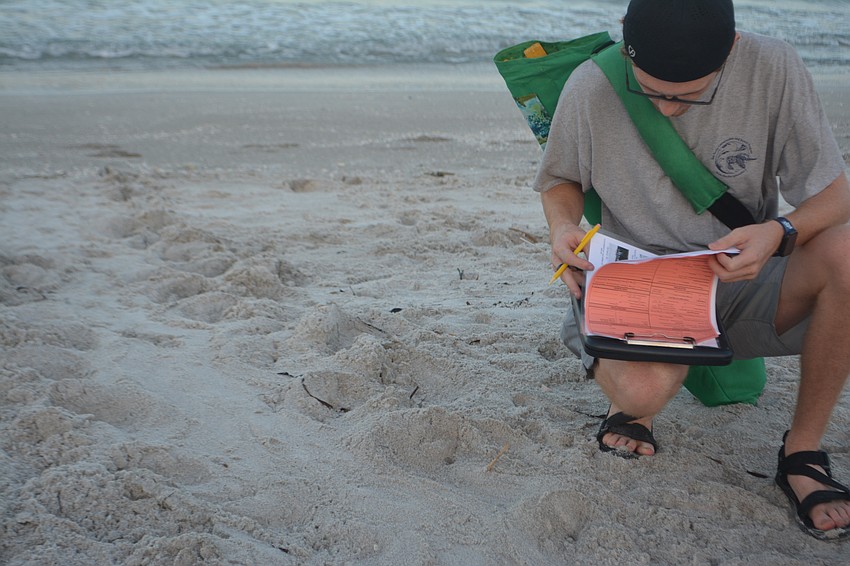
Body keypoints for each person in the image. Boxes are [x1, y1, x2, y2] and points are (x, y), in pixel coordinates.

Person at [533, 0, 850, 541]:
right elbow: (559, 178)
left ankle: (801, 450)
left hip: (739, 272)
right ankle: (619, 378)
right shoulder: (593, 84)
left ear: (730, 49)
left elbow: (834, 194)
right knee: (641, 394)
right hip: (637, 286)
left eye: (686, 96)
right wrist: (561, 229)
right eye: (650, 90)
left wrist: (780, 231)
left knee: (845, 252)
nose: (667, 109)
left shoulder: (774, 68)